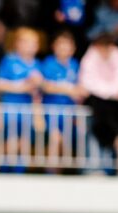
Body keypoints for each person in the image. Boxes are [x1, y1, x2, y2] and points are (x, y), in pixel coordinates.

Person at [80, 34, 118, 176]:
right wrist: (114, 93)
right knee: (97, 133)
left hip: (116, 107)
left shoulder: (116, 53)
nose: (107, 50)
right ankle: (94, 168)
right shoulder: (90, 57)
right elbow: (89, 83)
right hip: (97, 107)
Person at [0, 27, 43, 171]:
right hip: (10, 108)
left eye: (33, 43)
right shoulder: (9, 60)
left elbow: (38, 91)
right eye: (26, 42)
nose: (30, 46)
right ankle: (5, 172)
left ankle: (19, 172)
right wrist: (22, 87)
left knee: (25, 142)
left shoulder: (37, 64)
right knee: (11, 141)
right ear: (17, 43)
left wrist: (38, 84)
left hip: (28, 110)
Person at [39, 30, 85, 164]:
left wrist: (76, 93)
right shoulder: (48, 63)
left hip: (71, 112)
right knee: (55, 139)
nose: (63, 48)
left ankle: (63, 172)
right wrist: (68, 89)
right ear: (54, 46)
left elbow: (81, 89)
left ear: (73, 48)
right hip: (52, 111)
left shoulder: (75, 65)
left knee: (66, 143)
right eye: (60, 44)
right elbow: (45, 86)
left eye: (67, 45)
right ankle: (51, 171)